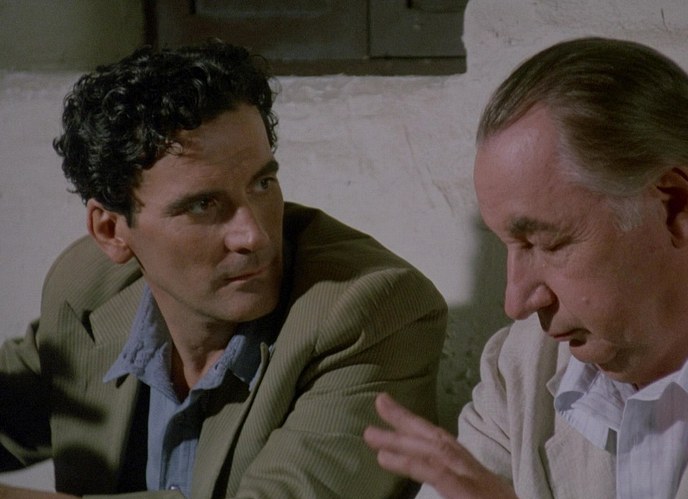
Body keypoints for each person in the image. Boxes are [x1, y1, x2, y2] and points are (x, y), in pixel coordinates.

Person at [364, 37, 688, 498]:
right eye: (509, 245)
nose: (516, 302)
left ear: (674, 205)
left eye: (547, 243)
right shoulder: (520, 370)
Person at [0, 40, 447, 498]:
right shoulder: (89, 291)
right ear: (112, 232)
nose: (254, 236)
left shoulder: (371, 310)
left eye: (263, 183)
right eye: (202, 205)